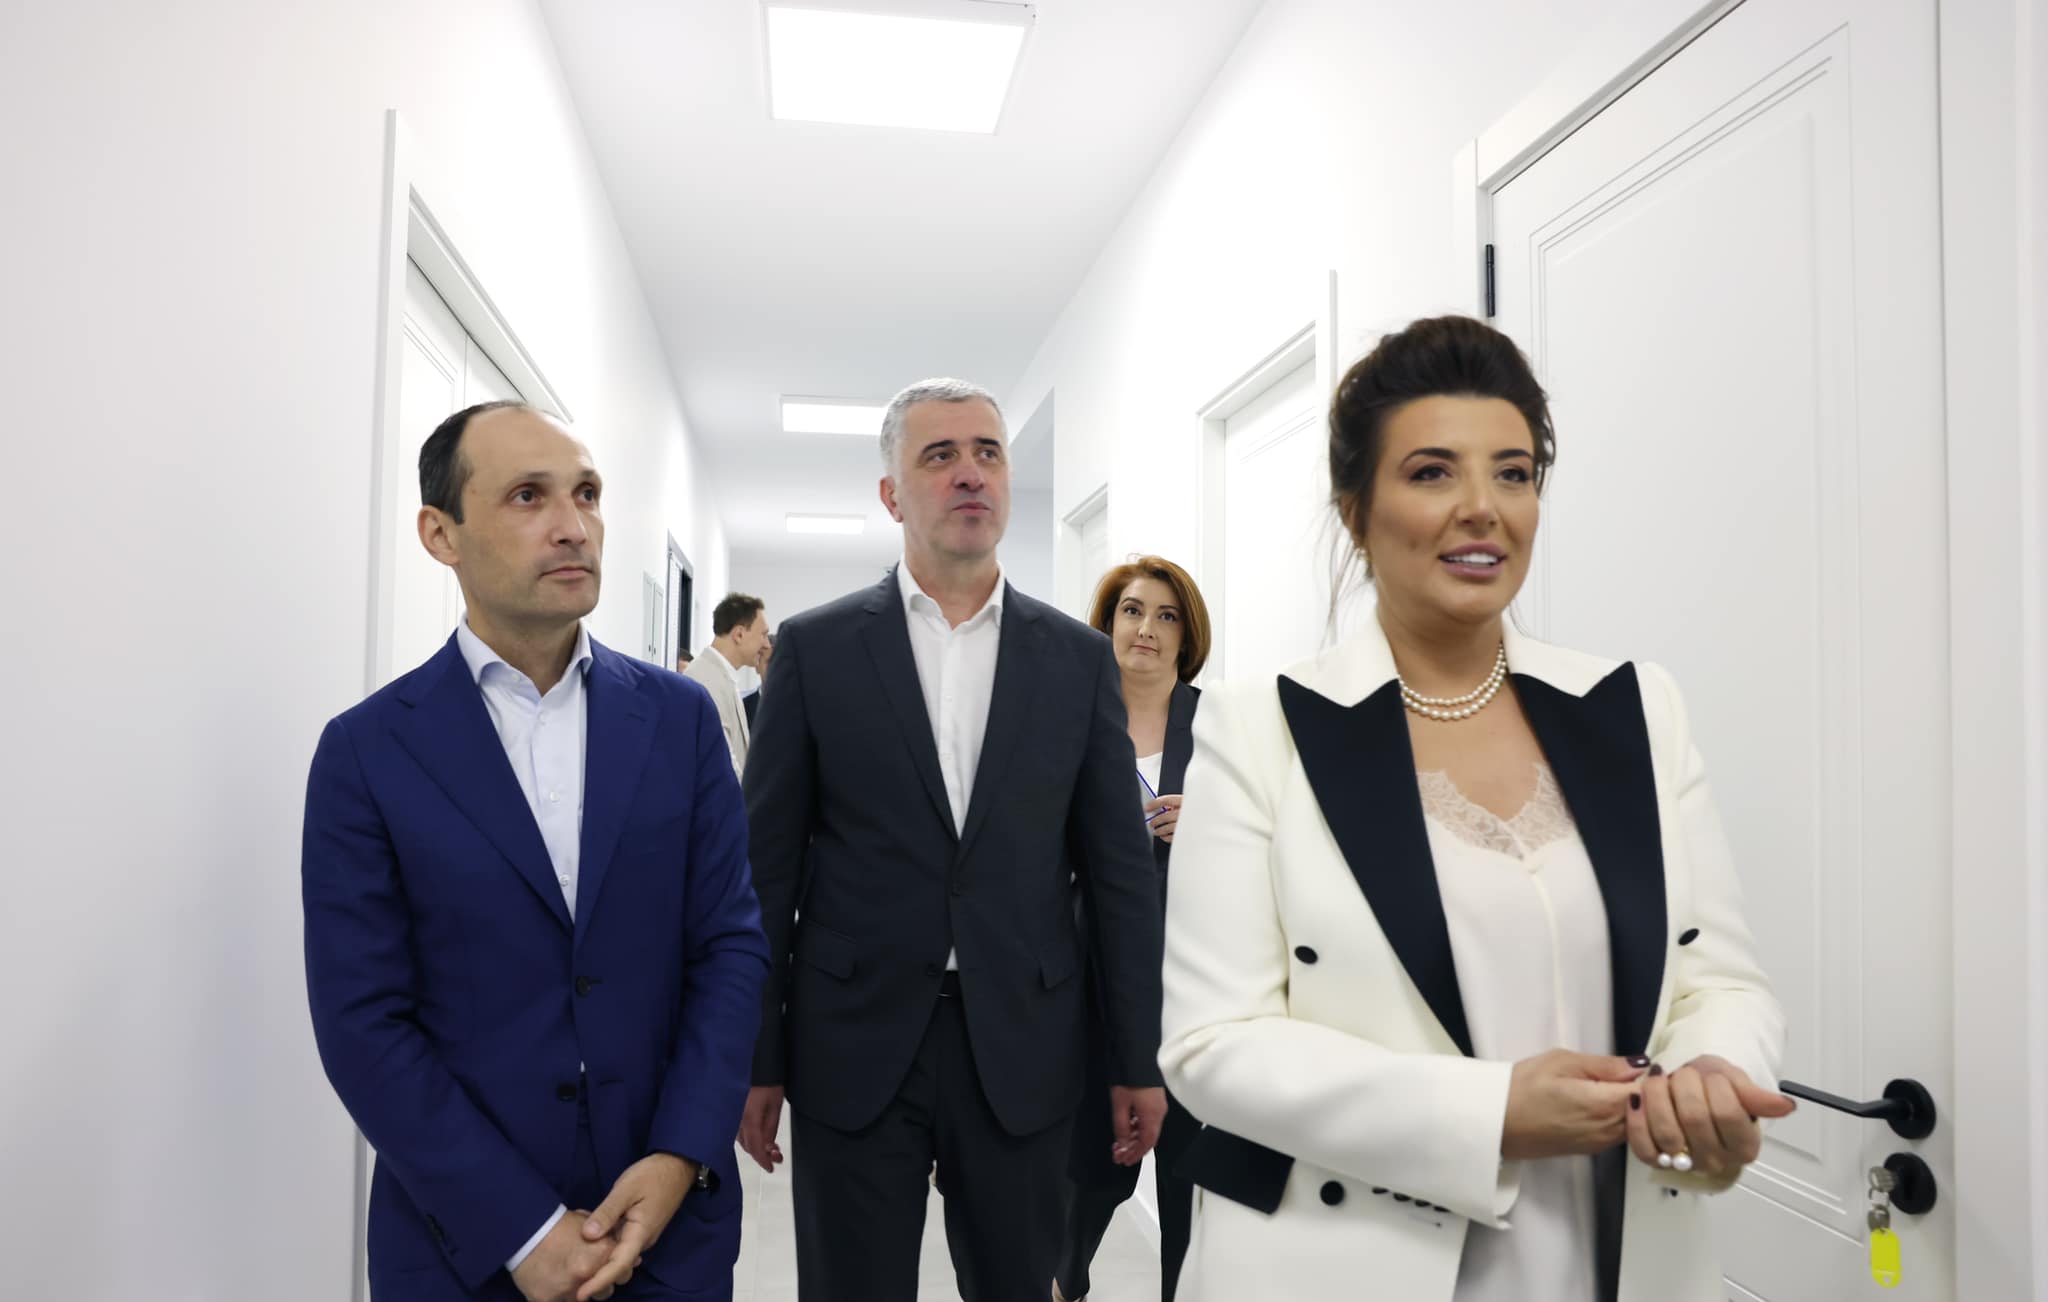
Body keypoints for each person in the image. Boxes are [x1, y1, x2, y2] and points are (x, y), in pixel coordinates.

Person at [1158, 317, 1791, 1302]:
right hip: (1352, 1262)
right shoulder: (1260, 729)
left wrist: (1709, 1076)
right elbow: (1212, 1043)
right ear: (1355, 511)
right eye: (1430, 473)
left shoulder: (1635, 709)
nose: (1482, 509)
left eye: (1513, 473)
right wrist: (1488, 1113)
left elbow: (1719, 976)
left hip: (1617, 1251)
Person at [302, 400, 770, 1302]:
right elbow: (363, 1021)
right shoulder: (368, 751)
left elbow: (730, 947)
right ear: (441, 534)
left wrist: (680, 1153)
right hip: (463, 1244)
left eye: (586, 494)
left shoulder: (679, 723)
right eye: (528, 496)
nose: (573, 526)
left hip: (669, 1231)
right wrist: (520, 1228)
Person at [738, 378, 1167, 1302]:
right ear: (892, 495)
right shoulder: (816, 651)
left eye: (988, 453)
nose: (970, 473)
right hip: (853, 1043)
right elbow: (763, 874)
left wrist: (1138, 1056)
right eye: (940, 455)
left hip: (1023, 1041)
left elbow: (1119, 877)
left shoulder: (1077, 659)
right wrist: (757, 1056)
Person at [1054, 556, 1212, 1302]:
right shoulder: (1069, 722)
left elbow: (1279, 840)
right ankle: (1065, 1281)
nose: (1147, 628)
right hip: (1091, 980)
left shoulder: (1221, 728)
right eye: (1132, 611)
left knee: (1190, 1181)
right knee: (1092, 1173)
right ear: (1108, 624)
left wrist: (1208, 824)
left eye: (1166, 615)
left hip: (1196, 985)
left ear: (1187, 636)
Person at [683, 593, 769, 778]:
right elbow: (723, 768)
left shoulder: (722, 676)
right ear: (739, 634)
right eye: (763, 635)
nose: (766, 644)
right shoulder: (705, 680)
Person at [740, 633, 772, 731]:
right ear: (757, 666)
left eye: (779, 662)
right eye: (769, 662)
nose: (775, 667)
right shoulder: (742, 708)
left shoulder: (799, 707)